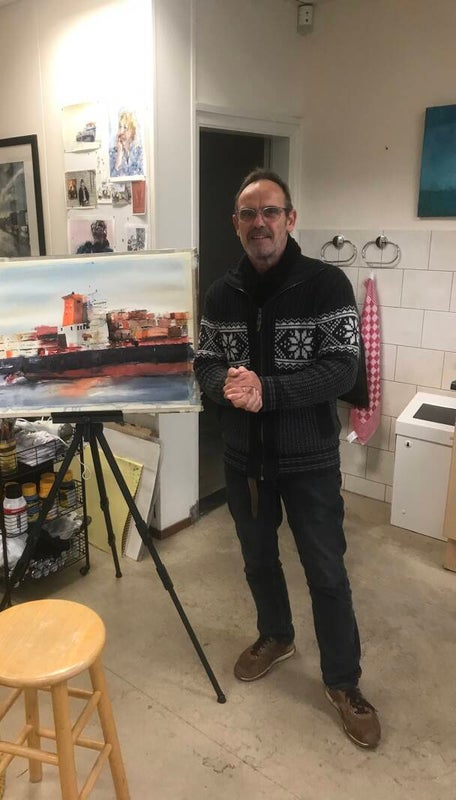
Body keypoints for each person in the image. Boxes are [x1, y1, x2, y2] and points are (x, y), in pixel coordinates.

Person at [194, 168, 380, 749]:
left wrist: (266, 391)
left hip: (309, 461)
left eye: (270, 211)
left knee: (326, 572)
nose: (260, 223)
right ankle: (276, 635)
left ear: (290, 219)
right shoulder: (220, 293)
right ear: (236, 225)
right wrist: (226, 383)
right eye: (249, 214)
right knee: (257, 559)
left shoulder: (326, 284)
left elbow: (342, 369)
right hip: (244, 460)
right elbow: (203, 362)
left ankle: (343, 681)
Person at [110, 110, 144, 178]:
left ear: (132, 130)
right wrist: (119, 153)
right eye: (120, 127)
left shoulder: (139, 152)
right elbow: (113, 178)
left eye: (125, 127)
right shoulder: (112, 153)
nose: (121, 131)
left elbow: (140, 175)